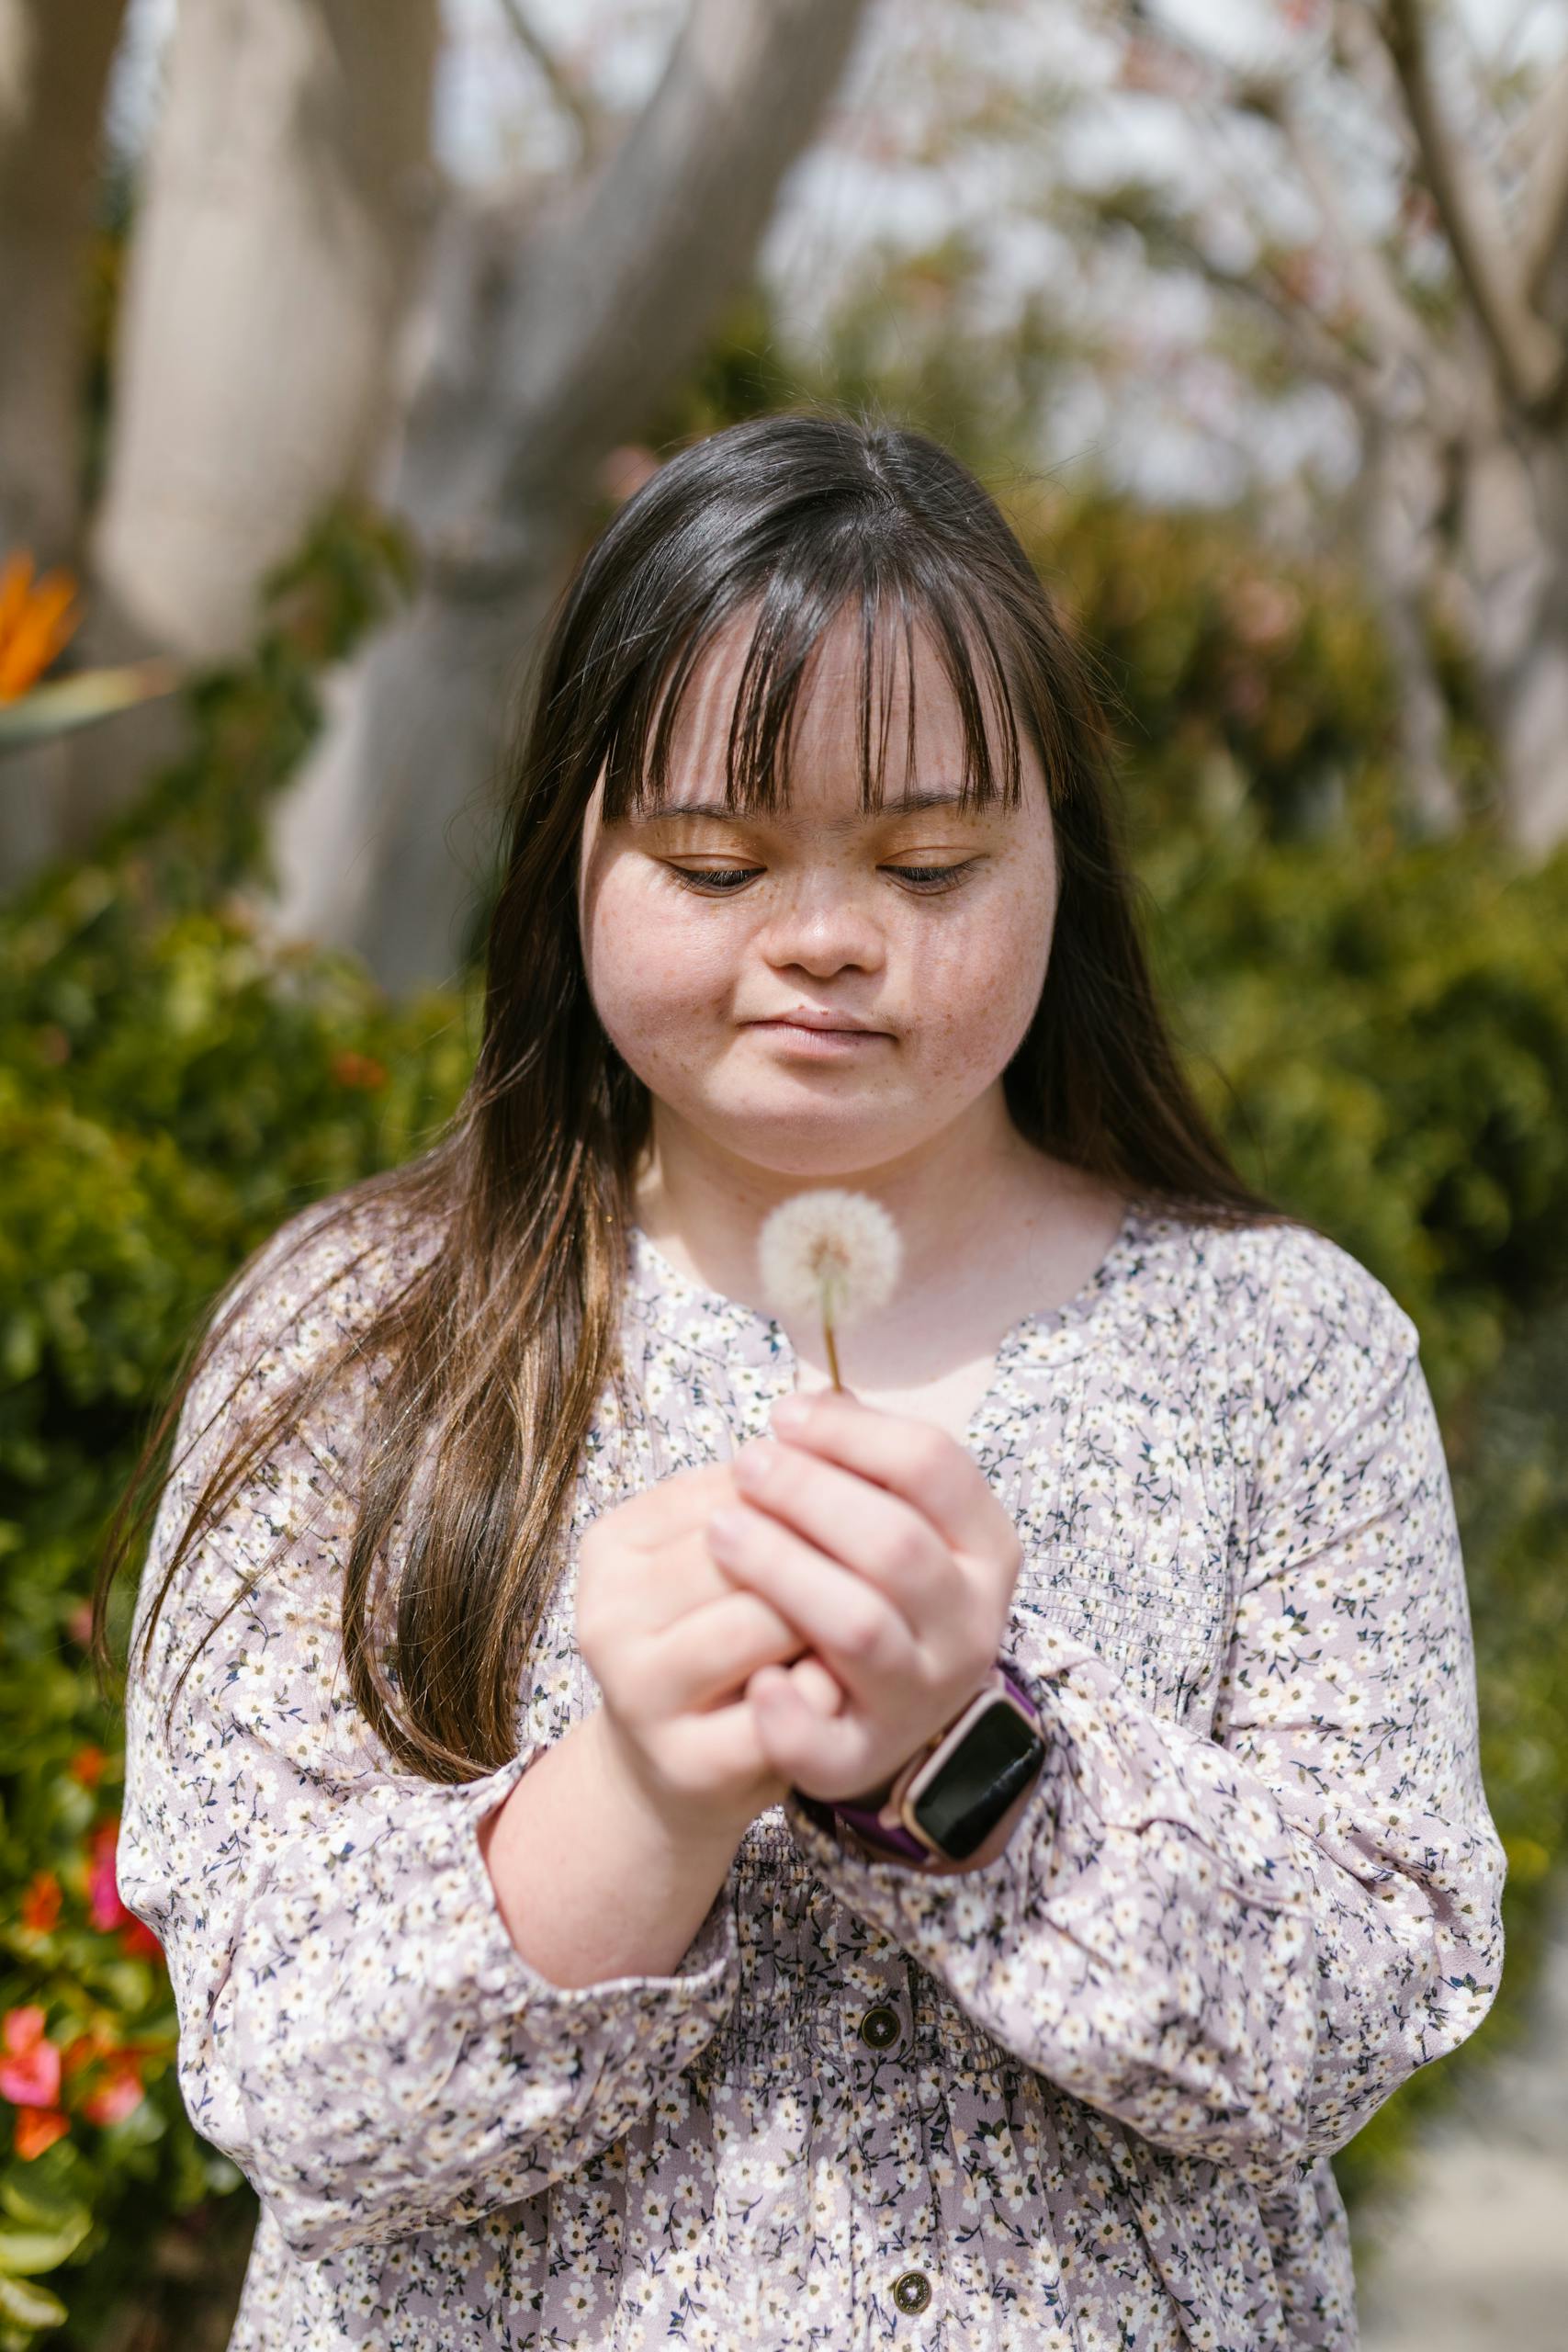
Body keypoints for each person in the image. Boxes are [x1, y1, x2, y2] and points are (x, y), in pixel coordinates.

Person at [100, 410, 1506, 2351]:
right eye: (715, 857)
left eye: (927, 860)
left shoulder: (1279, 1353)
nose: (827, 938)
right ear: (571, 855)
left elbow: (1354, 2018)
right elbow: (278, 2076)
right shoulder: (361, 1335)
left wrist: (972, 1759)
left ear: (1058, 865)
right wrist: (640, 1788)